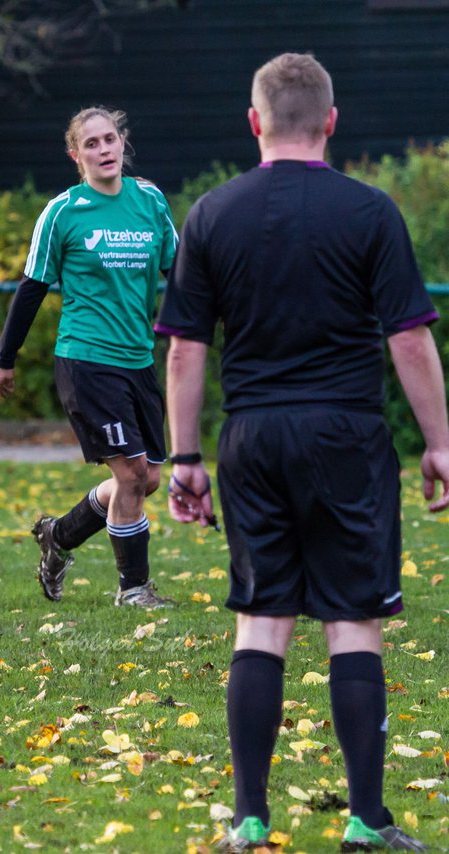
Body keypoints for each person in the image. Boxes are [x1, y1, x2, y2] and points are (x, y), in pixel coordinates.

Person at [157, 52, 449, 852]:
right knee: (354, 624)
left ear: (254, 122)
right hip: (347, 436)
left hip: (252, 438)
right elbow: (411, 342)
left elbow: (184, 351)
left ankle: (249, 819)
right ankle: (365, 820)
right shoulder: (370, 210)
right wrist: (440, 444)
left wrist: (185, 459)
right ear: (330, 122)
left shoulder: (213, 213)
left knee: (262, 622)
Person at [0, 106, 178, 609]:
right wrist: (5, 357)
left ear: (123, 143)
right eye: (91, 143)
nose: (104, 150)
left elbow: (178, 270)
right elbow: (32, 286)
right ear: (77, 155)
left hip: (138, 359)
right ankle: (133, 589)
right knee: (132, 475)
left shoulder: (149, 201)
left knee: (150, 478)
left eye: (110, 139)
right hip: (87, 360)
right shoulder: (63, 212)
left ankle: (59, 535)